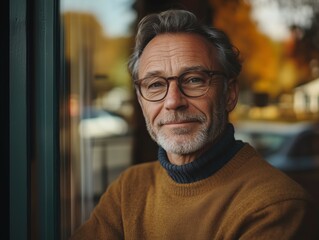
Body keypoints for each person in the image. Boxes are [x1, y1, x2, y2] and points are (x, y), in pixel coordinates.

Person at [71, 9, 318, 239]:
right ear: (140, 100)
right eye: (155, 84)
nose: (173, 101)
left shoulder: (274, 205)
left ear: (229, 94)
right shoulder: (128, 189)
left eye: (194, 80)